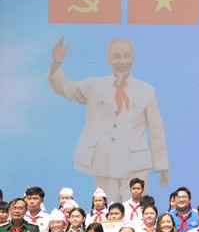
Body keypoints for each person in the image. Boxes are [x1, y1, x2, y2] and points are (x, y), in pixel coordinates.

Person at [47, 38, 170, 202]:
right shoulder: (94, 86)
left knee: (136, 209)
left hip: (136, 164)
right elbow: (65, 88)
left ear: (133, 58)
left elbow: (156, 130)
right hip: (105, 162)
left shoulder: (146, 90)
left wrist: (161, 165)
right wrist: (56, 63)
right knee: (109, 209)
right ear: (109, 59)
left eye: (127, 56)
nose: (122, 61)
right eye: (117, 56)